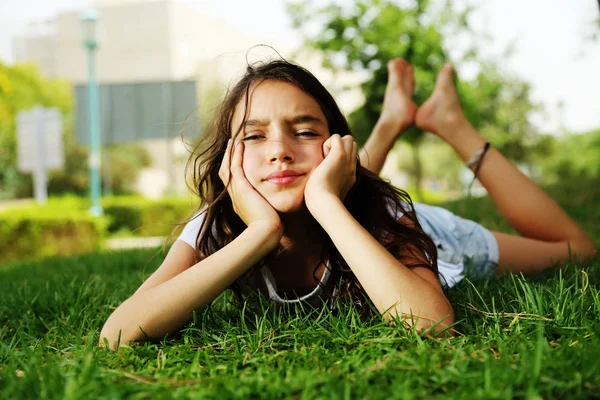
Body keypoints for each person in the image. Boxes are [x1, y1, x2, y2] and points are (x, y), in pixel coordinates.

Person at [99, 58, 596, 351]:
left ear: (335, 147)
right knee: (322, 181)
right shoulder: (219, 223)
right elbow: (118, 333)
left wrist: (324, 201)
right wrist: (259, 234)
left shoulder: (384, 211)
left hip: (415, 231)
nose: (278, 150)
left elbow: (433, 326)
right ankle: (391, 120)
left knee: (577, 249)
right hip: (342, 196)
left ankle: (450, 122)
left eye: (305, 130)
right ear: (230, 161)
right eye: (254, 136)